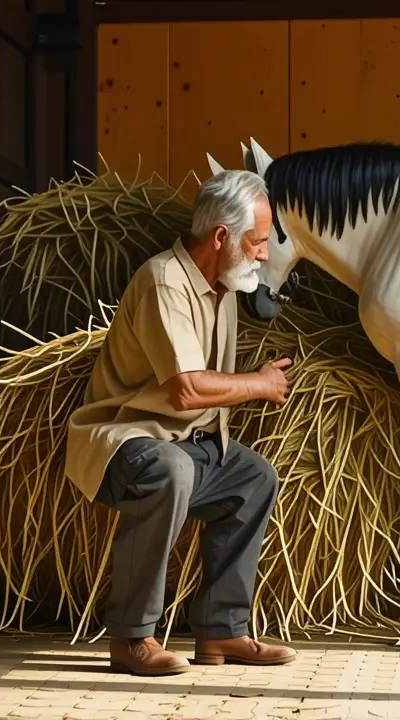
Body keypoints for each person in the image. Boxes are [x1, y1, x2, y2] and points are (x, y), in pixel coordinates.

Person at [65, 168, 296, 676]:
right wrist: (258, 384)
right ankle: (130, 638)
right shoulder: (164, 280)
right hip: (125, 441)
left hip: (187, 440)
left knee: (254, 478)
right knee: (172, 471)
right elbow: (186, 387)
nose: (263, 254)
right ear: (221, 237)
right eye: (257, 242)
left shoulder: (224, 287)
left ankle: (221, 630)